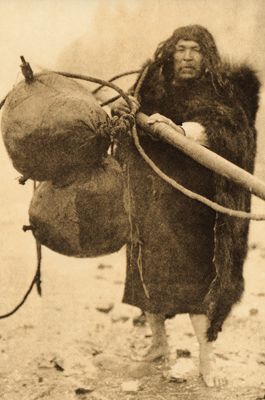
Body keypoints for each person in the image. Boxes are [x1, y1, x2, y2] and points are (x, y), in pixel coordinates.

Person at [110, 25, 260, 387]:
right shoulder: (151, 84)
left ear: (207, 57)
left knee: (199, 284)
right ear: (170, 53)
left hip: (200, 207)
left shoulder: (223, 91)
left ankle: (207, 360)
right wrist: (126, 117)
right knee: (149, 273)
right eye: (181, 49)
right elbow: (128, 120)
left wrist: (184, 130)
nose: (188, 57)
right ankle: (159, 345)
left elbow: (235, 133)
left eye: (195, 50)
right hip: (155, 199)